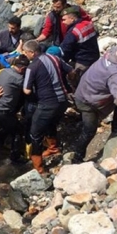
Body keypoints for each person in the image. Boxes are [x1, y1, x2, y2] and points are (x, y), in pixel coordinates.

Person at [21, 40, 74, 173]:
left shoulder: (32, 67)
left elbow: (26, 90)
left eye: (25, 52)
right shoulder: (55, 58)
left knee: (35, 134)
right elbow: (71, 71)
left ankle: (39, 168)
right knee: (51, 123)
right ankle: (53, 148)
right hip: (63, 101)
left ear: (32, 53)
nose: (25, 55)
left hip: (47, 104)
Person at [0, 55, 30, 166]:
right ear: (23, 69)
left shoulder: (4, 71)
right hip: (4, 112)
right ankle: (15, 157)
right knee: (18, 131)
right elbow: (28, 90)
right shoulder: (19, 79)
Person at [59, 7, 100, 81]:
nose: (63, 22)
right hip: (94, 57)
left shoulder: (74, 32)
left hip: (82, 61)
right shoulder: (88, 24)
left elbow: (65, 49)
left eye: (64, 19)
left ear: (72, 18)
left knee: (77, 81)